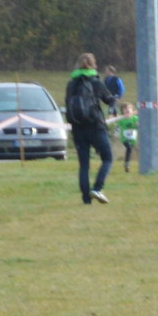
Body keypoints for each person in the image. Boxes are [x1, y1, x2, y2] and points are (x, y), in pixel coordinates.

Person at [64, 52, 114, 205]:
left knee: (84, 165)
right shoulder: (95, 82)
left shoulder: (71, 84)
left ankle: (86, 200)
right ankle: (97, 188)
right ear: (93, 65)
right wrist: (114, 102)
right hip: (95, 125)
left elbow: (67, 104)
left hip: (78, 128)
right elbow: (108, 99)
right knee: (107, 158)